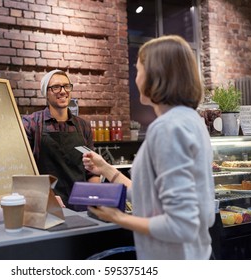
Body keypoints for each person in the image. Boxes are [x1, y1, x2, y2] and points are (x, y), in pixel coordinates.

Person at [82, 35, 215, 260]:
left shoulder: (168, 128)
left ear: (156, 75)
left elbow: (181, 225)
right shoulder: (190, 120)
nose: (136, 79)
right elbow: (148, 196)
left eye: (138, 70)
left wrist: (118, 218)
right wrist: (106, 169)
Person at [22, 69, 100, 210]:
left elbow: (91, 171)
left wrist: (95, 198)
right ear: (46, 93)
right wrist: (46, 196)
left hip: (81, 205)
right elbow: (24, 171)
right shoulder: (31, 123)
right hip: (47, 205)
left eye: (66, 86)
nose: (63, 91)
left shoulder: (83, 126)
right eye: (56, 87)